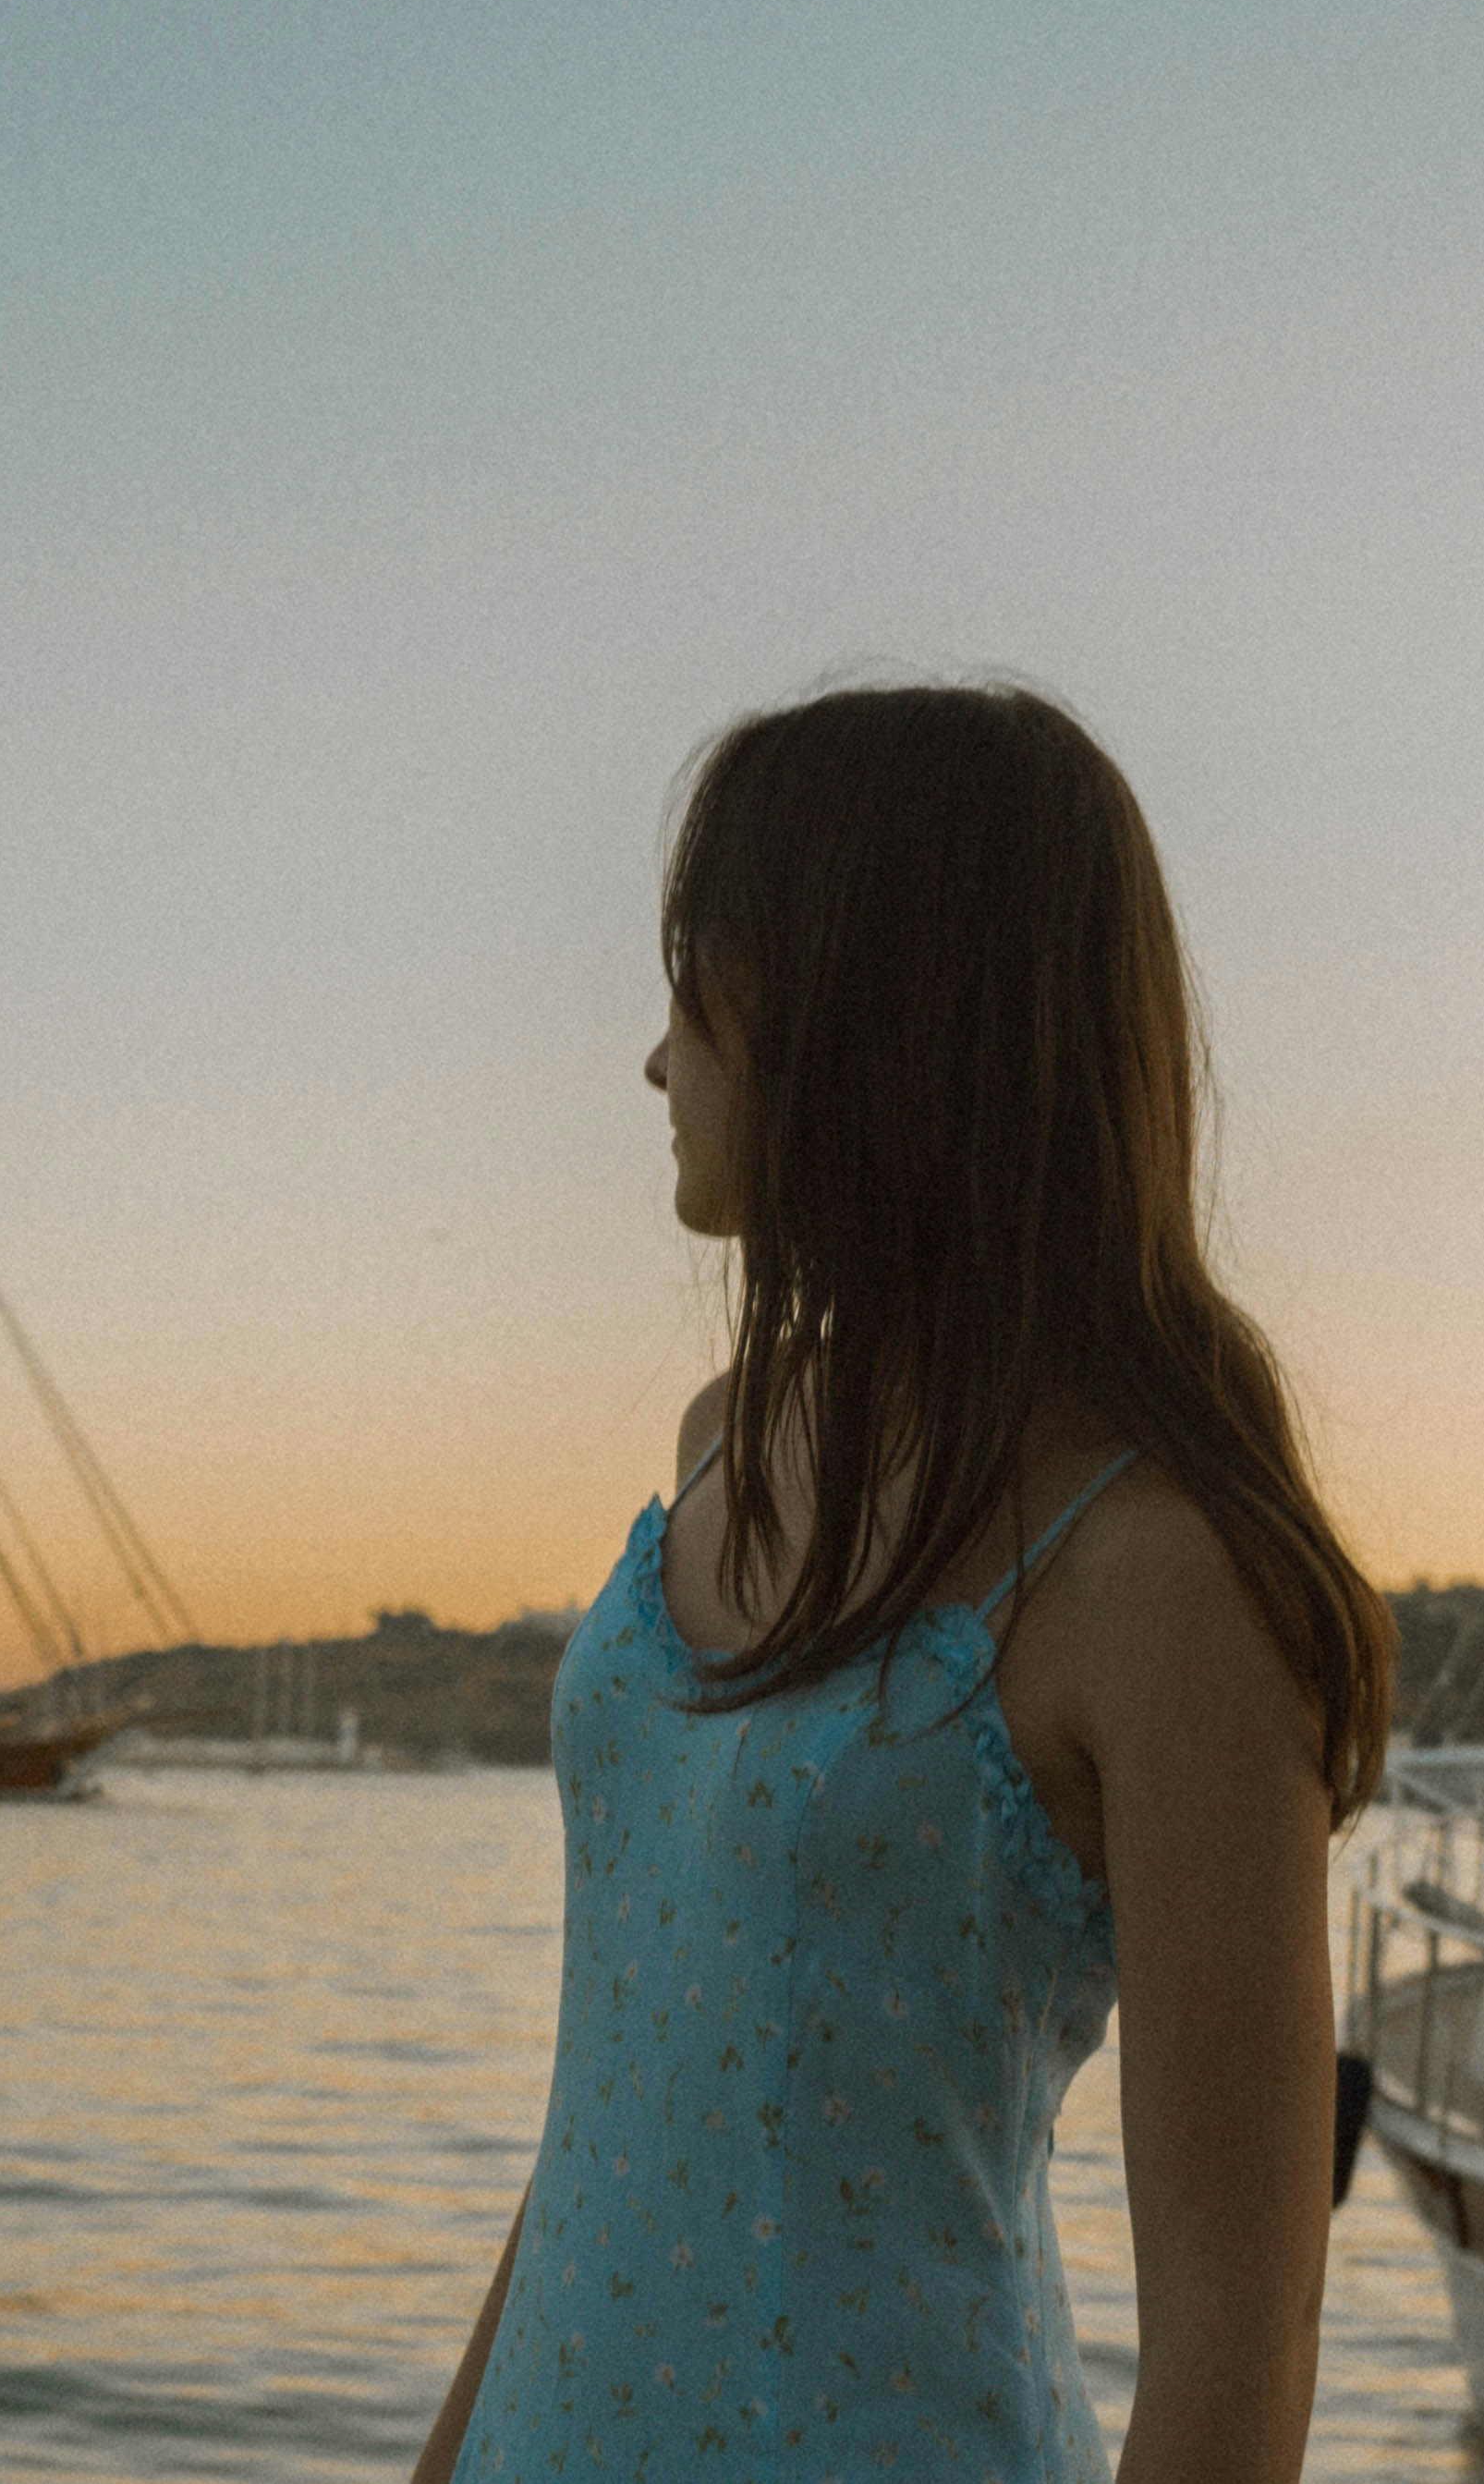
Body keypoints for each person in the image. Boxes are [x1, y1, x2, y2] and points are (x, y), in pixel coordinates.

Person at [410, 682, 1389, 2484]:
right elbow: (612, 2121)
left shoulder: (1157, 1577)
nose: (652, 1059)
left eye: (690, 977)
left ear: (861, 1004)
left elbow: (1240, 2352)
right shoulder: (726, 1438)